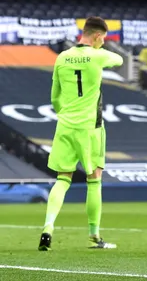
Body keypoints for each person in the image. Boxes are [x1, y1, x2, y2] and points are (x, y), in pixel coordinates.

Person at [38, 16, 123, 251]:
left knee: (62, 179)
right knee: (94, 180)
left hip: (65, 125)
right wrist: (101, 54)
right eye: (103, 38)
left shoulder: (62, 57)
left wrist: (64, 114)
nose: (104, 42)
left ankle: (48, 226)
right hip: (90, 129)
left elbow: (54, 97)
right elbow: (118, 60)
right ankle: (94, 236)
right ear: (96, 36)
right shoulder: (98, 55)